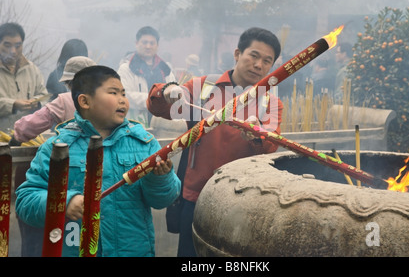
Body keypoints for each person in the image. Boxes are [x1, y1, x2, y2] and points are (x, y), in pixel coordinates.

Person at [15, 65, 181, 257]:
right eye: (113, 92)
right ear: (85, 101)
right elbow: (26, 200)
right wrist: (63, 202)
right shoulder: (58, 148)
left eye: (123, 93)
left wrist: (160, 178)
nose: (123, 100)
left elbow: (163, 200)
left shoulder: (143, 143)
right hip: (75, 249)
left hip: (132, 251)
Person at [147, 27, 283, 256]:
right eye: (254, 55)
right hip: (197, 196)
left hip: (242, 201)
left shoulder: (269, 102)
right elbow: (158, 106)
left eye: (267, 61)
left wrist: (257, 135)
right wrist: (169, 90)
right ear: (237, 53)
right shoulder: (203, 87)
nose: (259, 65)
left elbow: (271, 145)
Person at [9, 56, 96, 146]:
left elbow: (33, 123)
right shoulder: (108, 99)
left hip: (74, 155)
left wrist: (17, 136)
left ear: (69, 82)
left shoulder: (65, 100)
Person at [117, 26, 176, 127]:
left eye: (152, 43)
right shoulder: (126, 69)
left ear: (157, 46)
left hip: (162, 125)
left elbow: (174, 93)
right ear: (136, 44)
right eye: (144, 42)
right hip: (135, 126)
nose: (148, 46)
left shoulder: (165, 69)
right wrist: (153, 100)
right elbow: (124, 96)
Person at [0, 22, 48, 133]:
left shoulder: (31, 69)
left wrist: (37, 102)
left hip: (28, 136)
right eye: (7, 45)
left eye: (18, 46)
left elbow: (45, 96)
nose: (13, 51)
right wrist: (13, 105)